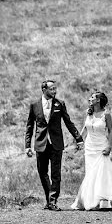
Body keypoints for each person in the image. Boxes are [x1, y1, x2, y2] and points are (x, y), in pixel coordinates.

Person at [25, 80, 84, 211]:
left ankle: (53, 201)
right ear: (44, 89)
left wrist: (78, 138)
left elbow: (68, 122)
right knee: (42, 172)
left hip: (56, 144)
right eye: (51, 89)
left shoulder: (60, 104)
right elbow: (30, 126)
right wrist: (27, 145)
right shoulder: (34, 105)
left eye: (55, 89)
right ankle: (48, 199)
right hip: (41, 144)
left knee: (55, 174)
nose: (54, 91)